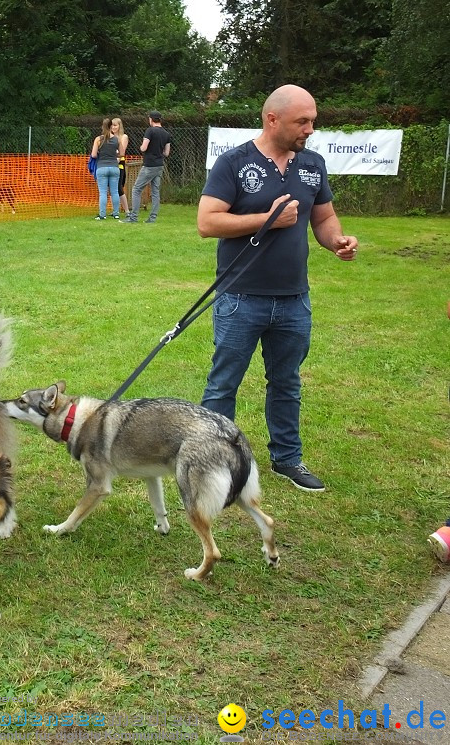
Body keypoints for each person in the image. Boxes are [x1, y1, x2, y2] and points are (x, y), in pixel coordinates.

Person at [197, 84, 358, 493]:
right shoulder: (234, 164)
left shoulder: (312, 165)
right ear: (273, 119)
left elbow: (323, 218)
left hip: (293, 300)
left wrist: (336, 239)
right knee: (223, 384)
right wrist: (265, 219)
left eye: (313, 121)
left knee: (286, 382)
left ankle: (287, 459)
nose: (310, 129)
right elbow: (208, 222)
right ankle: (214, 463)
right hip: (240, 298)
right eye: (302, 121)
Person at [127, 110, 172, 223]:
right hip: (159, 165)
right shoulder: (166, 134)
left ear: (151, 119)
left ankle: (133, 217)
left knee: (136, 189)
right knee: (155, 191)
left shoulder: (150, 131)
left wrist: (141, 147)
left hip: (149, 165)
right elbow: (167, 153)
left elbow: (144, 148)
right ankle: (152, 218)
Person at [91, 117, 127, 220]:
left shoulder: (98, 139)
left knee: (103, 192)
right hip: (114, 168)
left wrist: (100, 153)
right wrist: (114, 155)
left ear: (103, 127)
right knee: (115, 191)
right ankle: (116, 214)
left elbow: (93, 155)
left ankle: (102, 215)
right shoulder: (117, 139)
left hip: (102, 167)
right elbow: (122, 153)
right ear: (111, 126)